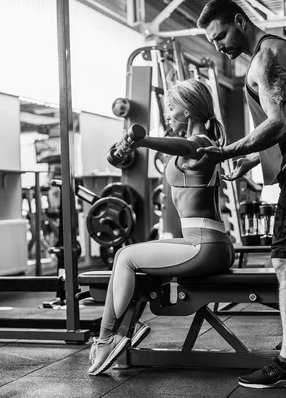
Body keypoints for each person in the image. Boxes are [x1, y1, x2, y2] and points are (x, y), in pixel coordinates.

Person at [191, 0, 286, 389]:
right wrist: (253, 162)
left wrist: (227, 151)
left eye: (221, 35)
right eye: (213, 40)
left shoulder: (268, 57)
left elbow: (278, 124)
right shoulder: (267, 55)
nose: (219, 46)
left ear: (240, 22)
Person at [88, 78, 235, 376]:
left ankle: (106, 339)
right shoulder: (193, 144)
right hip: (206, 243)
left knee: (125, 257)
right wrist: (127, 150)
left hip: (204, 247)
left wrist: (142, 140)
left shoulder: (202, 143)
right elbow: (173, 146)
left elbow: (187, 146)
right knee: (131, 256)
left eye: (171, 108)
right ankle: (130, 325)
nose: (167, 114)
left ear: (190, 111)